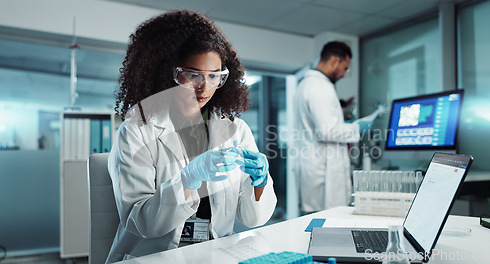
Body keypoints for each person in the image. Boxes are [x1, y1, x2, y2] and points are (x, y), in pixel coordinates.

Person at [107, 10, 277, 262]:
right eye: (193, 74)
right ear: (168, 72)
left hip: (215, 254)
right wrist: (187, 180)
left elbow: (252, 219)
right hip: (154, 256)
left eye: (214, 76)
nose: (205, 87)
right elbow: (142, 222)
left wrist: (260, 183)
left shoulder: (235, 130)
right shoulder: (136, 131)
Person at [293, 41, 373, 214]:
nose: (344, 74)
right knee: (326, 225)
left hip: (315, 167)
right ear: (335, 60)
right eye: (345, 68)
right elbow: (327, 131)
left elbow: (323, 124)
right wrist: (357, 127)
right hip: (323, 174)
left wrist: (344, 119)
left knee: (316, 224)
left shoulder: (307, 84)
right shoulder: (319, 87)